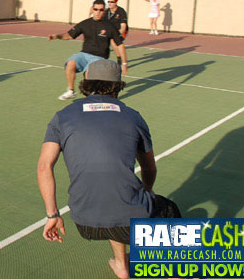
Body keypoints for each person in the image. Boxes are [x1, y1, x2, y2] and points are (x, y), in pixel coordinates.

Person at [37, 59, 180, 279]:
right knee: (167, 210)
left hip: (85, 223)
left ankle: (121, 265)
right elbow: (148, 166)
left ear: (85, 81)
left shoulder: (62, 116)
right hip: (130, 217)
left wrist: (52, 215)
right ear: (118, 85)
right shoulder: (133, 116)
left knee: (117, 201)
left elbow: (44, 166)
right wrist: (148, 190)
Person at [48, 0, 128, 101]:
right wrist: (57, 36)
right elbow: (69, 35)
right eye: (96, 9)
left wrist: (124, 63)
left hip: (99, 57)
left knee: (89, 73)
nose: (98, 12)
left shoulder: (109, 26)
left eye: (101, 10)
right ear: (92, 9)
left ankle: (89, 98)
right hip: (84, 54)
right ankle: (71, 91)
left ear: (104, 11)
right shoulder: (85, 23)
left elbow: (120, 45)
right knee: (71, 63)